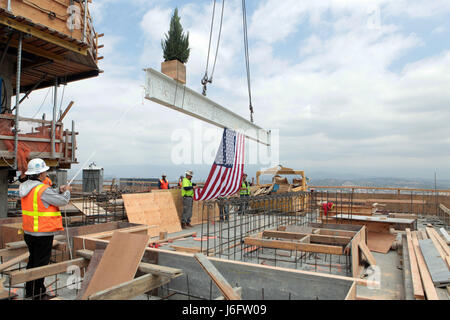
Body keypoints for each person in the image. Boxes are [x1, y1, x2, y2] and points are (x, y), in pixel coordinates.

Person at [19, 158, 71, 300]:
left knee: (33, 262)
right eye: (45, 171)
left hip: (29, 232)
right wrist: (66, 192)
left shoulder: (26, 187)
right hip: (42, 233)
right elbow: (63, 201)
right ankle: (38, 294)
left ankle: (30, 291)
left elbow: (43, 197)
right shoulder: (42, 189)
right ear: (40, 174)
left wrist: (56, 190)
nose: (46, 173)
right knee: (41, 264)